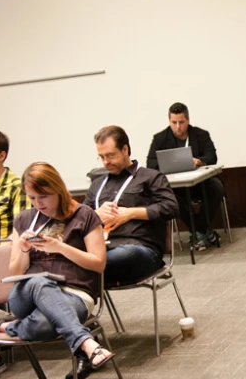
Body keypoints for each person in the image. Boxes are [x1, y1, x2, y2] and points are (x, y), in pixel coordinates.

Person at [0, 162, 114, 379]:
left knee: (44, 325)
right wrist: (23, 248)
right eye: (32, 197)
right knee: (38, 282)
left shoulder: (84, 215)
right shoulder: (24, 219)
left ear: (58, 190)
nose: (37, 203)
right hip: (26, 295)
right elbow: (15, 271)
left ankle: (9, 326)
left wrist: (60, 247)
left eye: (43, 196)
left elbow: (98, 264)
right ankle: (86, 343)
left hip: (75, 294)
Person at [84, 126, 178, 286]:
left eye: (110, 155)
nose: (106, 162)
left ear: (125, 149)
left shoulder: (150, 177)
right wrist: (96, 214)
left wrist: (130, 213)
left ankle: (83, 271)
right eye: (101, 157)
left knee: (122, 256)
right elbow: (79, 217)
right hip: (102, 248)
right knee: (74, 258)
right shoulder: (97, 185)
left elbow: (171, 207)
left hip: (139, 249)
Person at [146, 102, 224, 251]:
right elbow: (150, 163)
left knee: (217, 187)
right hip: (176, 187)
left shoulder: (201, 135)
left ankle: (198, 231)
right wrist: (166, 165)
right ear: (169, 121)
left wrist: (200, 161)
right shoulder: (160, 139)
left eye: (181, 122)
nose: (178, 127)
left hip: (201, 183)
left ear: (188, 120)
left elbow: (212, 156)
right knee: (169, 198)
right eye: (173, 122)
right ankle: (202, 231)